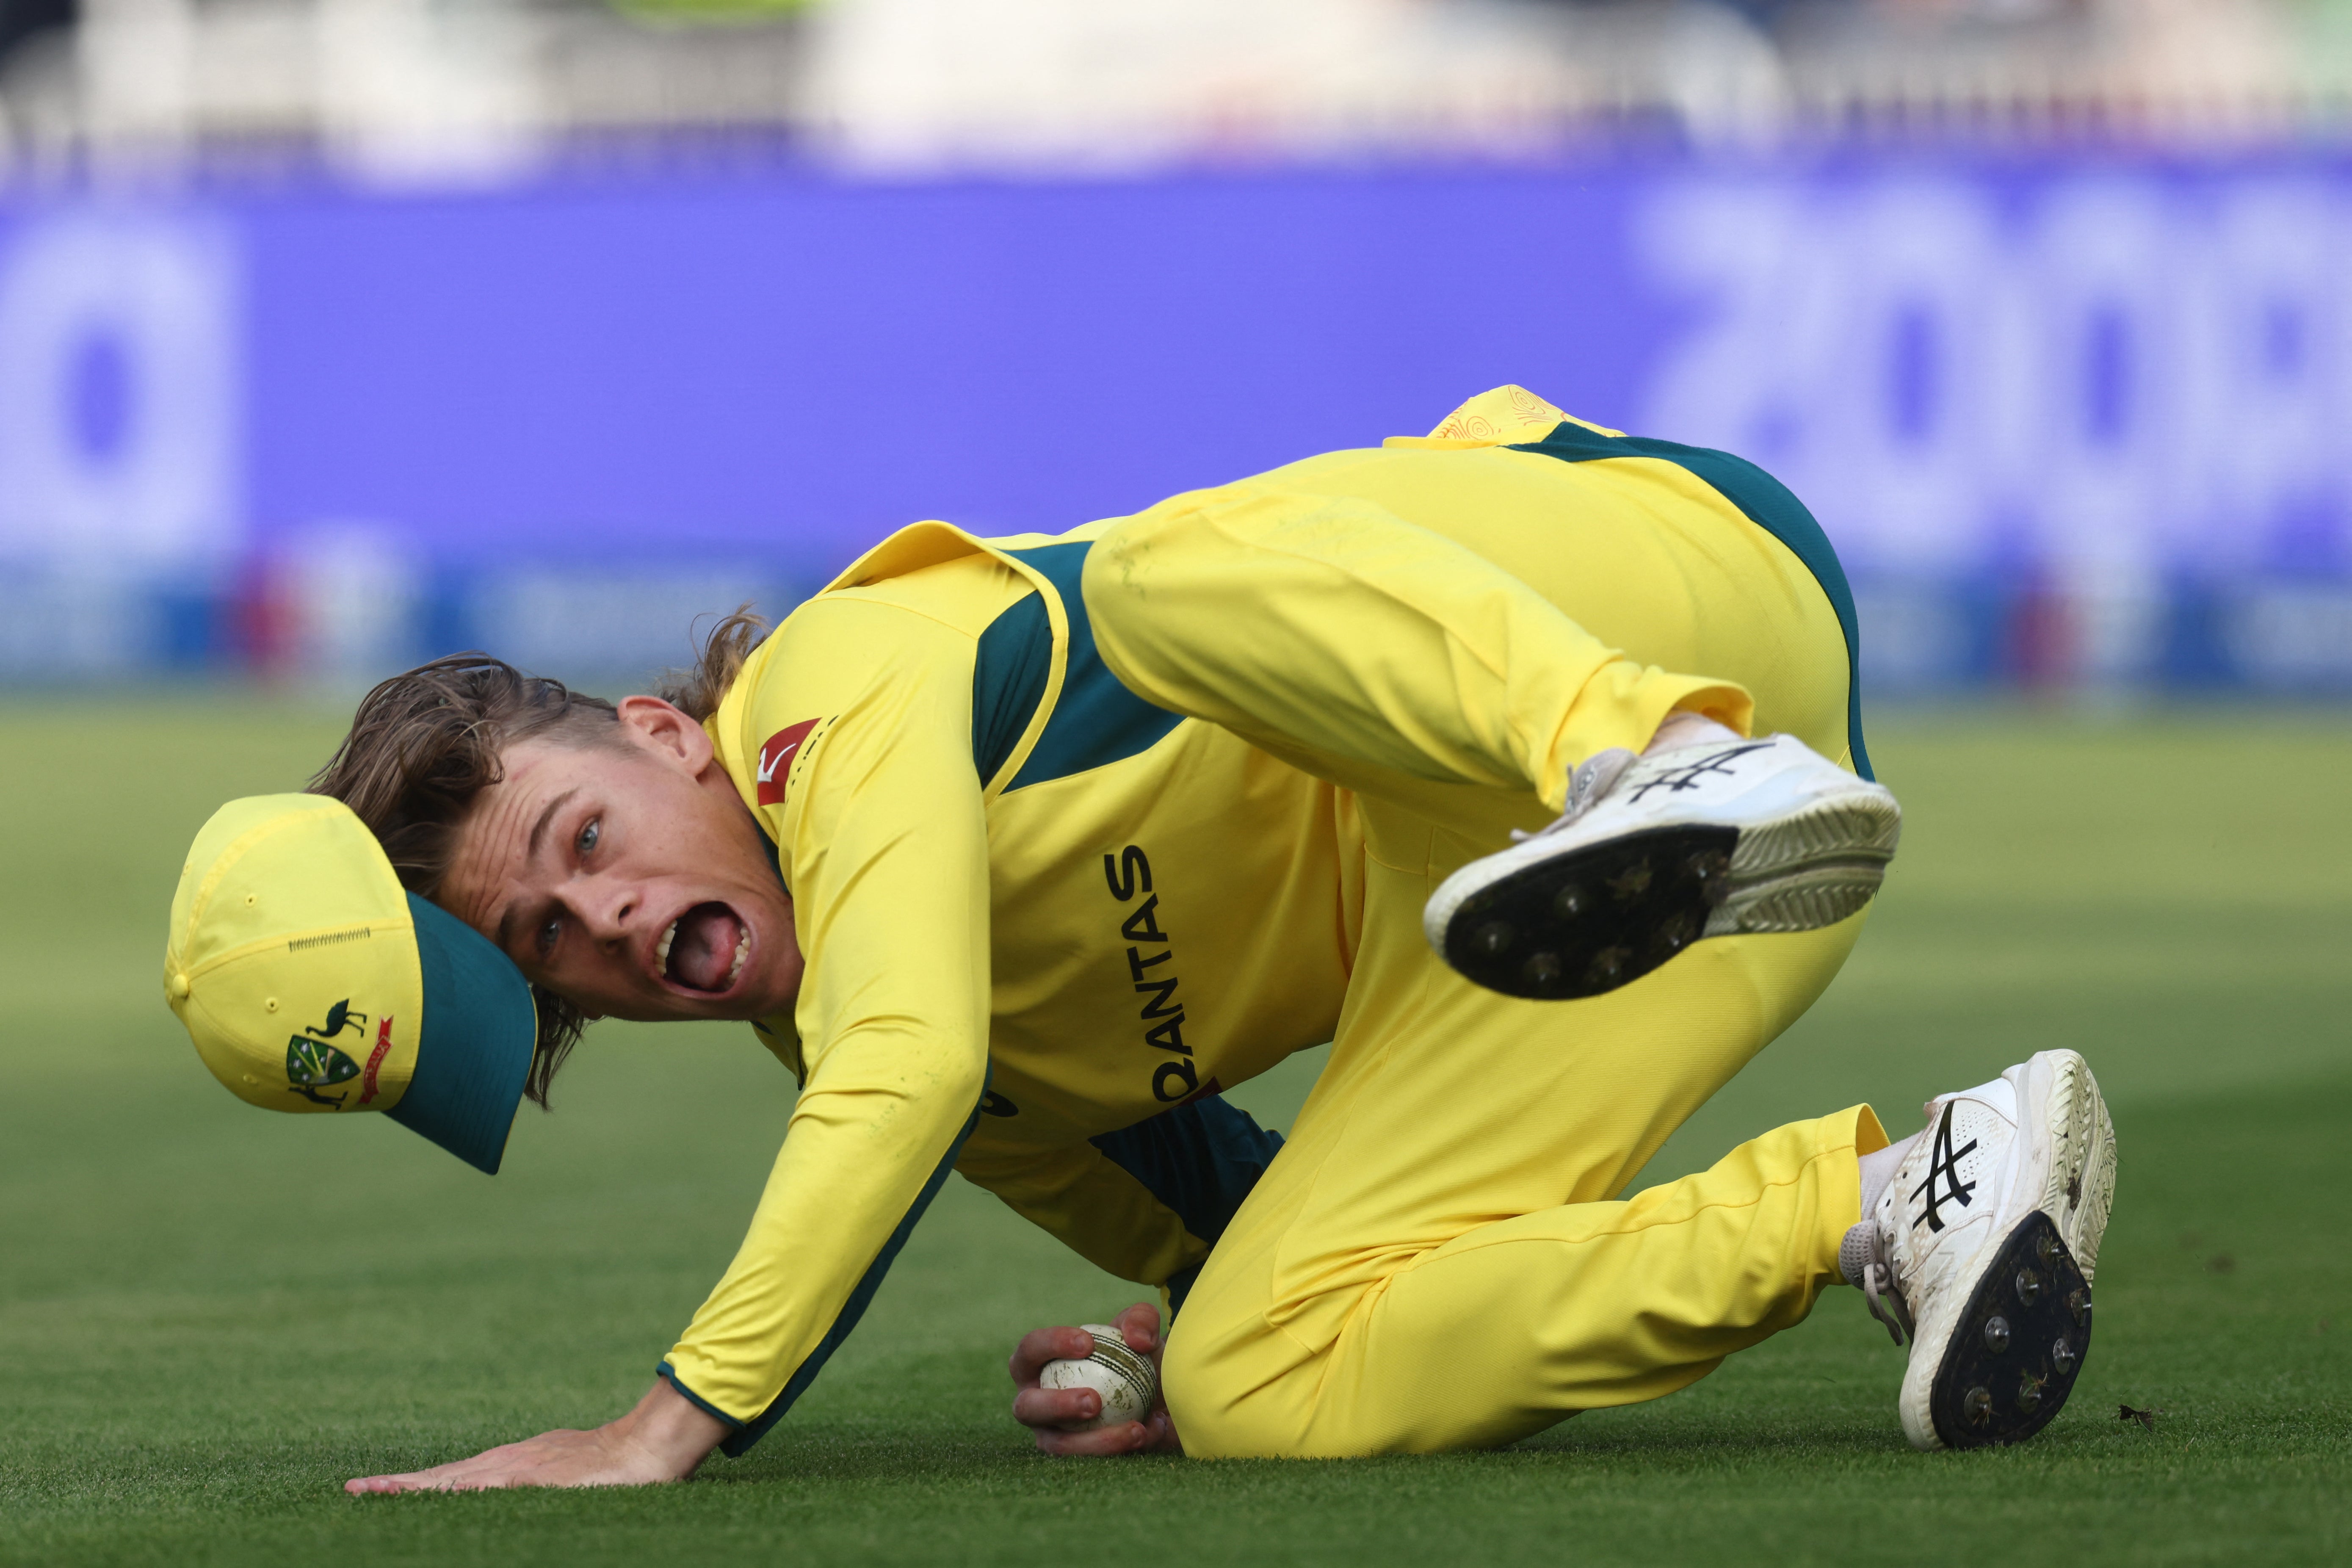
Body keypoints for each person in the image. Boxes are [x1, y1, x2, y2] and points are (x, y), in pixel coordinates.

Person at [164, 385, 2117, 1488]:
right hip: (1604, 915)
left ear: (671, 734)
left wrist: (664, 1421)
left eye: (586, 835)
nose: (606, 918)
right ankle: (1908, 1193)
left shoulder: (826, 690)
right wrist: (1190, 1325)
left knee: (1165, 568)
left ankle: (1658, 758)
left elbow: (903, 1054)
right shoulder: (939, 1071)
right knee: (1273, 1369)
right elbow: (1212, 1203)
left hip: (1648, 597)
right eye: (549, 940)